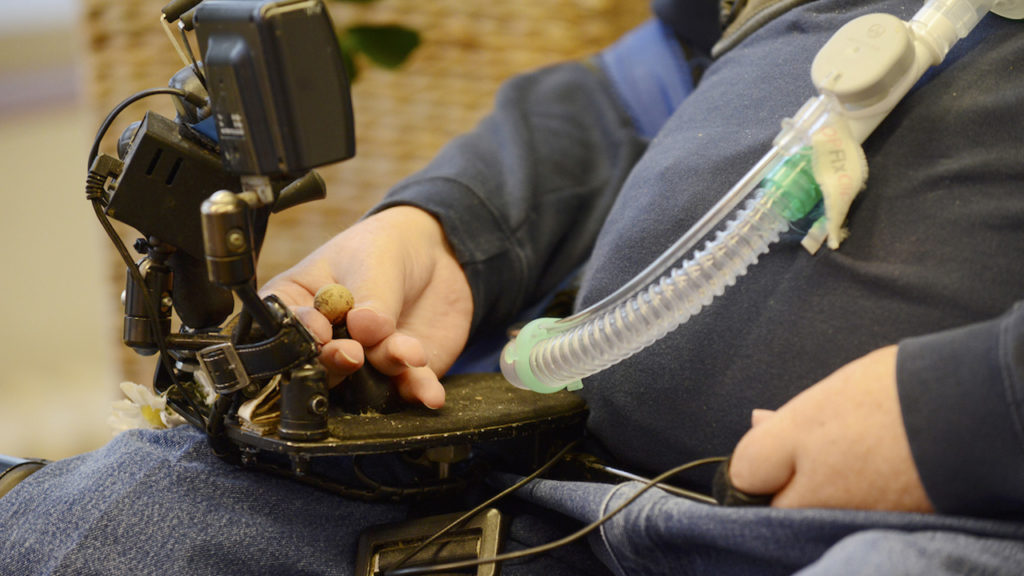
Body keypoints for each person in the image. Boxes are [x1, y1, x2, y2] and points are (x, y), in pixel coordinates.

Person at [3, 0, 1024, 574]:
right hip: (554, 494)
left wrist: (963, 413)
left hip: (905, 532)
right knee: (123, 521)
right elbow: (633, 96)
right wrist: (446, 228)